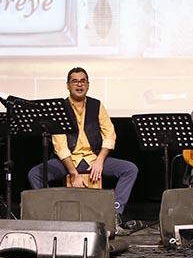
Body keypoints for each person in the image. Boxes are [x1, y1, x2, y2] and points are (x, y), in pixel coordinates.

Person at [26, 67, 139, 232]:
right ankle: (48, 215)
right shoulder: (60, 108)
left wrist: (100, 161)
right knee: (35, 173)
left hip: (92, 159)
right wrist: (74, 174)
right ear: (68, 85)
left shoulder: (96, 105)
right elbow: (60, 145)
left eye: (83, 81)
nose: (79, 84)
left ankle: (114, 213)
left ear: (88, 85)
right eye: (75, 81)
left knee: (130, 169)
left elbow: (109, 135)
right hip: (67, 162)